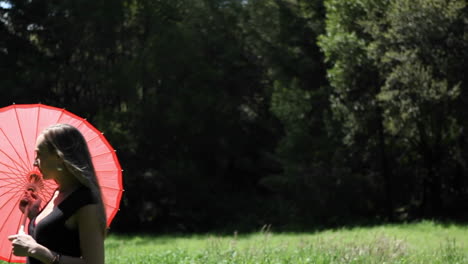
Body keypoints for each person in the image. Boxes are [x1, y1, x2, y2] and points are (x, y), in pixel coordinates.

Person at [9, 124, 106, 264]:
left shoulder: (86, 201)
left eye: (40, 154)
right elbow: (56, 238)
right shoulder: (59, 192)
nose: (35, 162)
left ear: (60, 157)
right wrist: (34, 215)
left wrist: (36, 250)